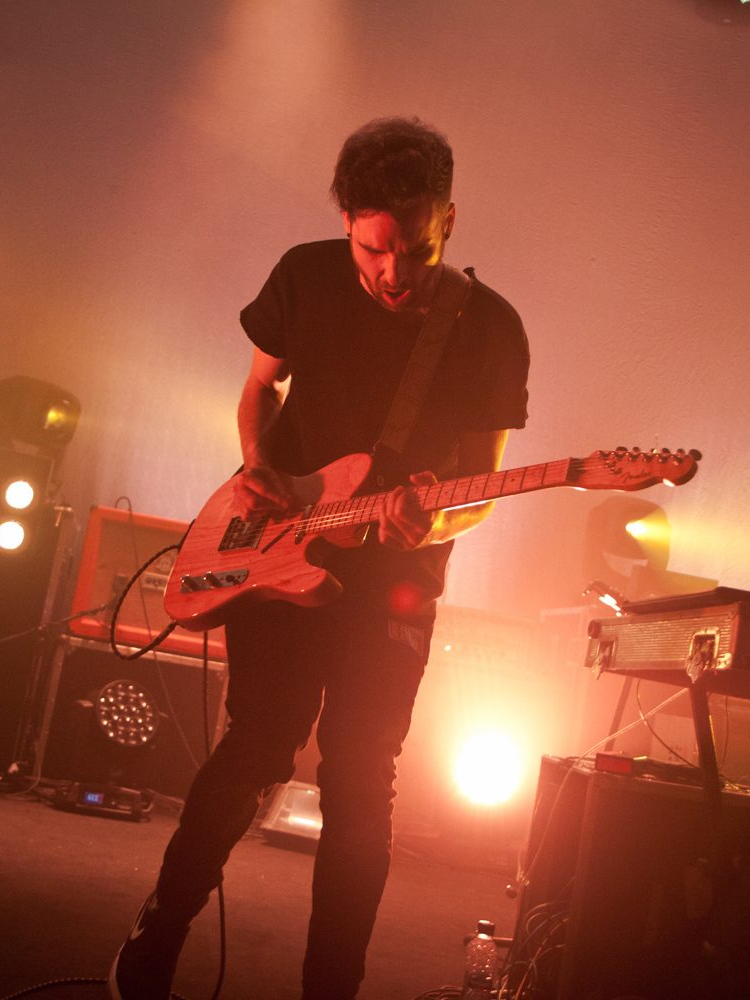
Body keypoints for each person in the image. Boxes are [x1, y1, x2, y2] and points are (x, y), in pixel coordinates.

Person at [109, 116, 530, 1000]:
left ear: (448, 220)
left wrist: (433, 526)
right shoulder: (304, 274)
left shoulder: (489, 327)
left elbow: (484, 491)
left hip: (398, 582)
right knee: (260, 741)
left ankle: (330, 988)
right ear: (347, 222)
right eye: (375, 250)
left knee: (360, 780)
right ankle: (160, 928)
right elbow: (259, 389)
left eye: (415, 250)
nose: (393, 273)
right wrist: (260, 472)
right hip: (277, 553)